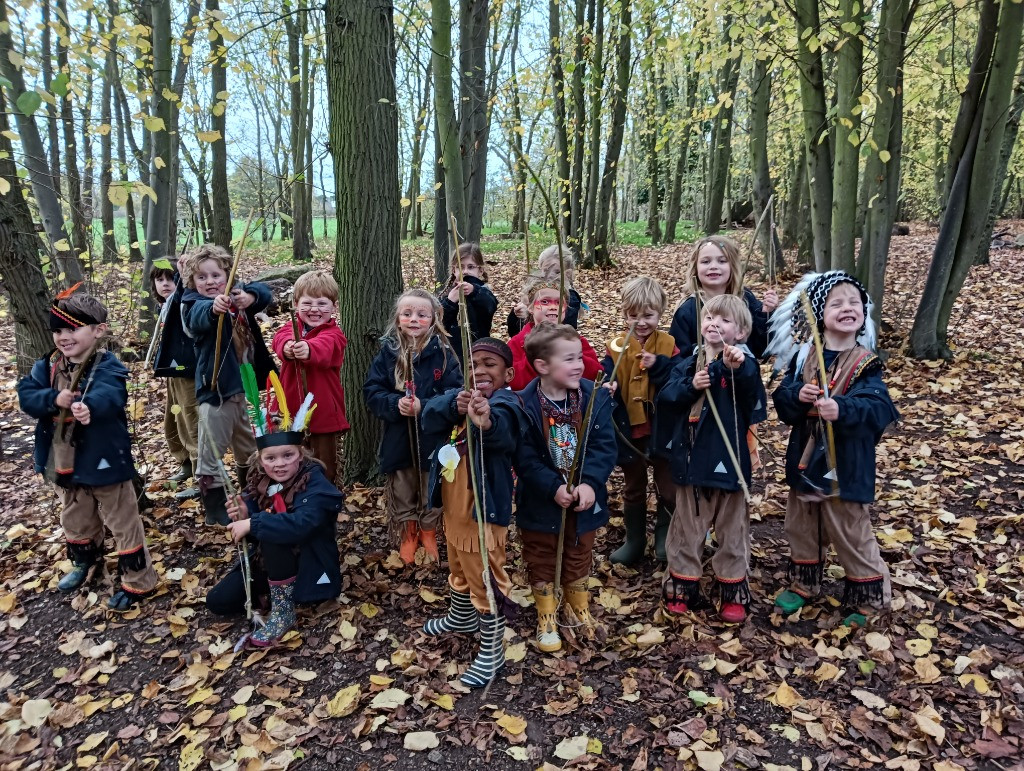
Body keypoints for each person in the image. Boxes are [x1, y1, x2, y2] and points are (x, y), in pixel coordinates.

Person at [768, 271, 899, 621]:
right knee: (802, 524)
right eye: (836, 303)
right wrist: (797, 394)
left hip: (846, 464)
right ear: (817, 313)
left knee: (849, 529)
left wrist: (843, 408)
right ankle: (804, 583)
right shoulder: (804, 356)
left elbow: (879, 407)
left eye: (854, 302)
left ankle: (869, 597)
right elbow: (782, 401)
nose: (847, 308)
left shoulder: (865, 363)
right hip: (804, 461)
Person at [18, 288, 158, 610]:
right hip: (64, 462)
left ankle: (138, 582)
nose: (64, 337)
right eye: (58, 330)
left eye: (72, 329)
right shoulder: (48, 365)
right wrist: (53, 399)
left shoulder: (107, 366)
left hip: (104, 460)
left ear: (98, 330)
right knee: (76, 517)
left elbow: (111, 395)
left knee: (122, 521)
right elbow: (27, 396)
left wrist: (88, 407)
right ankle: (87, 562)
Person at [653, 295, 762, 623]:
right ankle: (683, 586)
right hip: (692, 460)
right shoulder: (689, 361)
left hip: (729, 461)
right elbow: (667, 396)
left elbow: (754, 399)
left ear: (741, 332)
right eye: (710, 317)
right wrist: (691, 385)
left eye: (725, 320)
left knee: (732, 529)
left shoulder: (744, 364)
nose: (715, 323)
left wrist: (735, 369)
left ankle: (732, 590)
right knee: (688, 526)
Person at [420, 338, 521, 687]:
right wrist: (453, 404)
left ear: (508, 373)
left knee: (485, 575)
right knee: (459, 565)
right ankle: (461, 616)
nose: (480, 370)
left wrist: (486, 421)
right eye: (474, 364)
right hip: (454, 510)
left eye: (490, 364)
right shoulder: (457, 399)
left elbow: (506, 435)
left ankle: (493, 649)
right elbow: (428, 418)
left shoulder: (507, 402)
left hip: (482, 514)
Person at [514, 324, 615, 652]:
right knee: (541, 553)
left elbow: (604, 446)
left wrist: (590, 484)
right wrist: (552, 486)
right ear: (542, 366)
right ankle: (546, 614)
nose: (579, 364)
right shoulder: (525, 405)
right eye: (569, 359)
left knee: (579, 550)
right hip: (541, 500)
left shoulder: (593, 397)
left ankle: (577, 607)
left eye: (579, 357)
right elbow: (525, 458)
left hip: (584, 498)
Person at [207, 414, 343, 648]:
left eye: (287, 455)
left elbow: (301, 524)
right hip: (269, 563)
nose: (279, 464)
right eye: (270, 458)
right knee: (218, 601)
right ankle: (275, 588)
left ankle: (283, 610)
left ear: (300, 454)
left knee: (272, 529)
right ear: (260, 460)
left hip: (310, 567)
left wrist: (254, 523)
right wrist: (244, 514)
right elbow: (250, 522)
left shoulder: (316, 484)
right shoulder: (261, 482)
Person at [363, 289, 463, 564]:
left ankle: (428, 529)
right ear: (397, 319)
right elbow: (372, 391)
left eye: (422, 314)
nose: (414, 319)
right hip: (399, 438)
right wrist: (396, 404)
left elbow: (455, 394)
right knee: (403, 485)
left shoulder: (444, 355)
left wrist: (426, 405)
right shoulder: (388, 354)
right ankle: (409, 532)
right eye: (407, 314)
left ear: (433, 319)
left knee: (432, 486)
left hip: (434, 438)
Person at [181, 244, 276, 525]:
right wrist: (214, 308)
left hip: (241, 391)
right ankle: (214, 509)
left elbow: (264, 293)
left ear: (228, 275)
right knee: (211, 452)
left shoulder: (237, 295)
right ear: (192, 281)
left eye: (216, 275)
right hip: (216, 393)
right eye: (201, 277)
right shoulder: (191, 303)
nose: (210, 282)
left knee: (248, 448)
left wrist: (249, 296)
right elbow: (197, 318)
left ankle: (249, 495)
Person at [602, 277, 679, 565]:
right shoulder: (616, 346)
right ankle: (634, 539)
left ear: (660, 314)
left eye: (648, 316)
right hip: (629, 430)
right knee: (633, 485)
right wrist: (607, 387)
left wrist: (658, 365)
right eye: (633, 316)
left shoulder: (669, 345)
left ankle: (664, 536)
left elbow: (676, 381)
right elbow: (607, 372)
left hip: (661, 430)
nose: (641, 322)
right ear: (624, 313)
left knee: (667, 485)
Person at [272, 270, 348, 486]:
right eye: (307, 303)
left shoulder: (334, 334)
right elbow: (280, 339)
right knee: (290, 463)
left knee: (324, 465)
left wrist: (308, 349)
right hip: (289, 413)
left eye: (322, 304)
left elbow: (326, 347)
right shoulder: (290, 328)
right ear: (296, 304)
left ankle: (322, 504)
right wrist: (287, 347)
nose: (314, 309)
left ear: (334, 307)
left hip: (322, 415)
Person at [668, 236, 778, 358]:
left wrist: (766, 314)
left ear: (732, 266)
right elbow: (678, 357)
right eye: (706, 261)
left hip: (742, 374)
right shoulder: (688, 310)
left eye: (722, 261)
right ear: (695, 268)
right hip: (702, 375)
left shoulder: (745, 299)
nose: (713, 266)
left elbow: (761, 350)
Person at [150, 257, 200, 501]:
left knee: (191, 418)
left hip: (188, 371)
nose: (166, 284)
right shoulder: (165, 306)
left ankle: (204, 475)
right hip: (172, 371)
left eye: (171, 278)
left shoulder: (183, 302)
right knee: (173, 417)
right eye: (160, 280)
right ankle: (185, 464)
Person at [507, 274, 601, 391]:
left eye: (558, 302)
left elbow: (595, 375)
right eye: (545, 302)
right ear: (530, 308)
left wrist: (570, 353)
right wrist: (536, 350)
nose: (553, 307)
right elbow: (512, 381)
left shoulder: (577, 341)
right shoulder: (517, 343)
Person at [439, 243, 498, 366]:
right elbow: (439, 323)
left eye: (471, 267)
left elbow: (490, 306)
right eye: (460, 267)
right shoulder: (448, 294)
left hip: (478, 349)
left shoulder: (483, 291)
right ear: (454, 270)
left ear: (480, 270)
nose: (465, 271)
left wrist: (474, 291)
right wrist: (450, 302)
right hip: (452, 352)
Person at [506, 244, 585, 337]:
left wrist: (530, 315)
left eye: (557, 272)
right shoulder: (537, 292)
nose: (551, 275)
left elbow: (564, 328)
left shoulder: (571, 298)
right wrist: (517, 314)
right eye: (546, 270)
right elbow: (513, 332)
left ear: (568, 274)